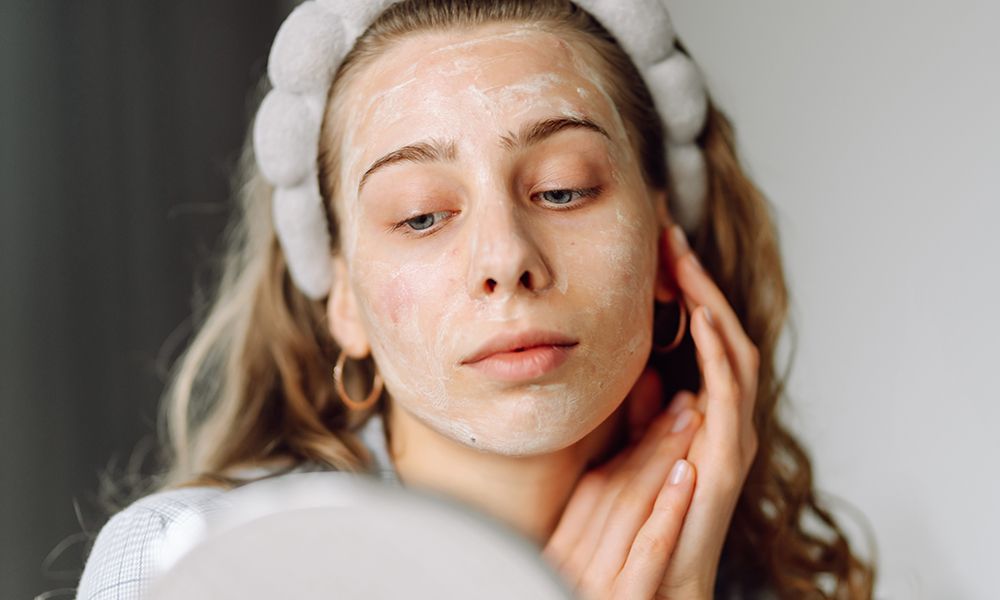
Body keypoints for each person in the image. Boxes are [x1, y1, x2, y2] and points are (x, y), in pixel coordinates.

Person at [75, 1, 876, 598]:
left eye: (563, 190)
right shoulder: (187, 565)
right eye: (421, 214)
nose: (506, 260)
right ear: (342, 302)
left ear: (668, 252)